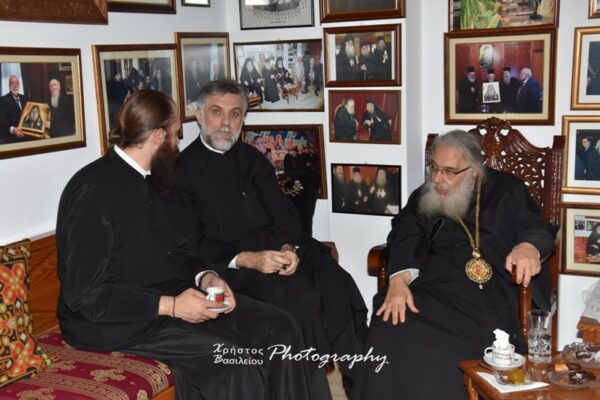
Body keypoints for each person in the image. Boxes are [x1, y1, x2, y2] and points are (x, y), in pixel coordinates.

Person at [56, 89, 312, 400]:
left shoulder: (158, 180)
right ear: (158, 136)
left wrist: (207, 278)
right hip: (118, 322)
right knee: (236, 363)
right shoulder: (93, 190)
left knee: (279, 328)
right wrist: (172, 306)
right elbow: (86, 296)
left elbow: (181, 251)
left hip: (170, 298)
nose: (178, 145)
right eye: (176, 135)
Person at [175, 80, 368, 397]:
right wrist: (249, 259)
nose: (226, 122)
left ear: (243, 118)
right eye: (217, 112)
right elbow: (191, 243)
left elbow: (283, 213)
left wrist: (288, 247)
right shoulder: (181, 170)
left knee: (334, 280)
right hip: (229, 268)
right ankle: (310, 390)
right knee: (301, 305)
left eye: (235, 114)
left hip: (275, 252)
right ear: (199, 115)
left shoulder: (252, 159)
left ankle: (361, 382)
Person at [352, 130, 557, 400]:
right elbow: (405, 232)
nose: (438, 178)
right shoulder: (426, 195)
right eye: (434, 168)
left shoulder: (507, 190)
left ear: (473, 170)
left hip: (490, 293)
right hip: (436, 286)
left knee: (445, 349)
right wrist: (399, 280)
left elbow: (535, 226)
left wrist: (528, 247)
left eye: (449, 171)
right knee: (387, 326)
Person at [0, 75, 30, 144]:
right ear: (9, 85)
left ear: (19, 85)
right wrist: (13, 130)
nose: (15, 85)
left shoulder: (25, 98)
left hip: (27, 134)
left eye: (17, 83)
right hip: (11, 137)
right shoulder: (3, 100)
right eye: (12, 83)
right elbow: (3, 120)